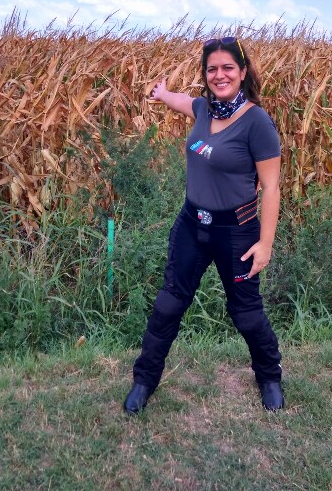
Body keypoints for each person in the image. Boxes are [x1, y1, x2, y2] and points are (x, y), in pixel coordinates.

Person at [123, 36, 285, 414]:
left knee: (246, 313)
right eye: (212, 69)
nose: (219, 75)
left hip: (237, 232)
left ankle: (269, 377)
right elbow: (184, 101)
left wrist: (265, 243)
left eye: (228, 67)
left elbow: (272, 187)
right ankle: (144, 380)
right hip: (192, 226)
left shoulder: (257, 123)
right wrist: (162, 94)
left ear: (242, 72)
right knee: (168, 305)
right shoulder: (204, 109)